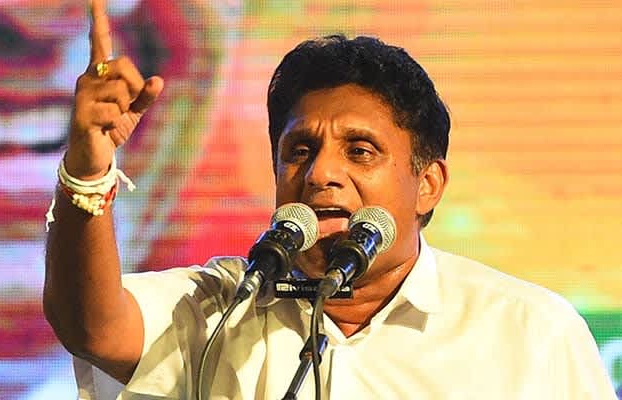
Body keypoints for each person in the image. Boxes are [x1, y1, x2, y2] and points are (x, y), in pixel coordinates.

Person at [43, 1, 617, 399]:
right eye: (299, 151)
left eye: (360, 151)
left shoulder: (528, 330)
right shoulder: (223, 307)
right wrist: (87, 171)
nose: (320, 174)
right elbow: (93, 327)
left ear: (428, 184)